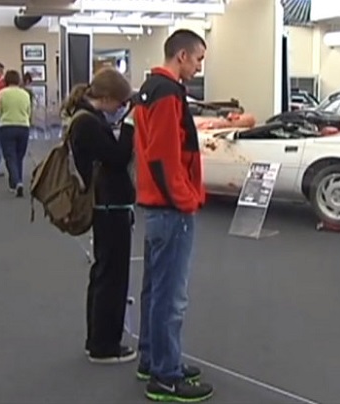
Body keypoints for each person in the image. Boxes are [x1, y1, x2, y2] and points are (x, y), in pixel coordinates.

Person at [133, 29, 214, 402]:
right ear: (181, 55)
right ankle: (165, 376)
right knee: (170, 296)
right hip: (169, 209)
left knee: (155, 289)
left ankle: (153, 359)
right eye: (198, 59)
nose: (199, 67)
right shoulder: (166, 93)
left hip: (156, 207)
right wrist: (184, 199)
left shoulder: (150, 88)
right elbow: (164, 154)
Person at [61, 68, 136, 364]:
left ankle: (98, 339)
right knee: (112, 277)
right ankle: (105, 345)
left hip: (104, 203)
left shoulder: (83, 120)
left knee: (104, 273)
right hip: (109, 205)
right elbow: (117, 158)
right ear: (105, 98)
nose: (121, 109)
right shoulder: (89, 124)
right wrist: (129, 127)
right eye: (120, 104)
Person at [0, 70, 32, 197]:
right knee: (19, 156)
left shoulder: (2, 93)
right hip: (23, 126)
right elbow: (29, 111)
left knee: (10, 156)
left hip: (7, 126)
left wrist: (0, 117)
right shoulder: (25, 94)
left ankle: (16, 182)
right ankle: (16, 181)